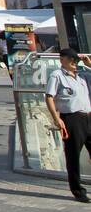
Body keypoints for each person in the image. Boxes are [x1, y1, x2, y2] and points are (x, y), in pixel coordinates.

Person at [44, 48, 91, 203]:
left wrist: (89, 64)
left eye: (76, 61)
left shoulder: (82, 75)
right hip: (71, 118)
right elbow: (49, 97)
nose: (74, 64)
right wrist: (56, 118)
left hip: (87, 117)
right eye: (72, 60)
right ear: (63, 60)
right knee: (73, 155)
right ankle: (78, 190)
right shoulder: (57, 75)